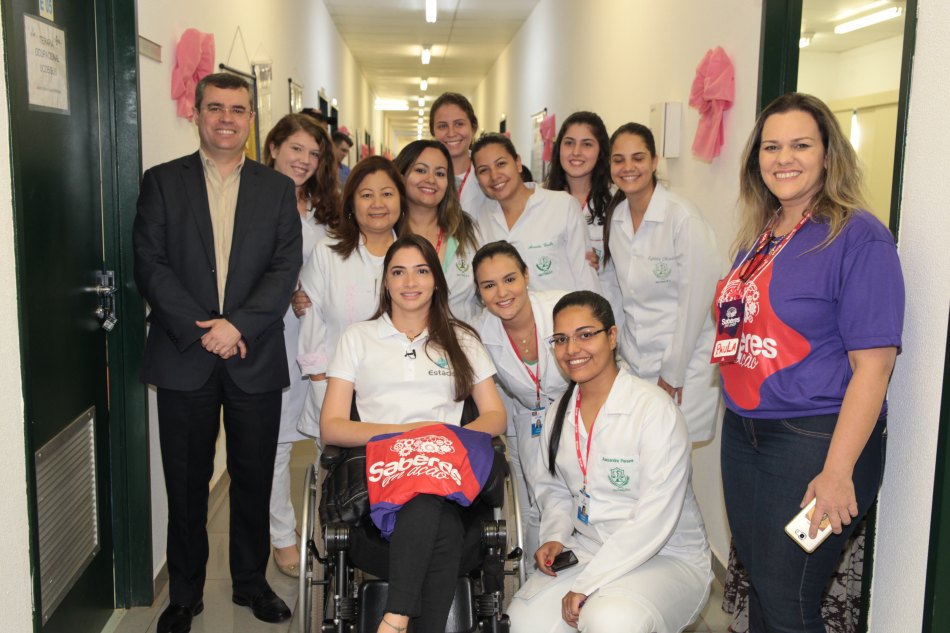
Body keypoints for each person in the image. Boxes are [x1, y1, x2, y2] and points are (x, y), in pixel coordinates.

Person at [716, 92, 903, 632]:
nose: (783, 158)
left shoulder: (859, 237)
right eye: (771, 147)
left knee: (788, 599)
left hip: (814, 440)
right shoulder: (762, 235)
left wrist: (838, 472)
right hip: (745, 433)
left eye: (800, 145)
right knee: (763, 587)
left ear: (828, 154)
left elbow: (875, 368)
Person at [133, 72, 300, 632]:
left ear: (251, 118)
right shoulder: (162, 182)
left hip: (254, 353)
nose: (226, 119)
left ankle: (251, 583)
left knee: (253, 478)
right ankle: (184, 595)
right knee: (186, 483)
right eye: (215, 108)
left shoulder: (276, 189)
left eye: (237, 109)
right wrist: (204, 329)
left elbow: (284, 268)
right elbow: (150, 263)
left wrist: (237, 326)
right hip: (184, 354)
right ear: (197, 114)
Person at [320, 234, 507, 633]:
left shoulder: (462, 338)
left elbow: (495, 416)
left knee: (427, 496)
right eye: (398, 272)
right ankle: (399, 618)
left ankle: (395, 618)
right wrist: (406, 434)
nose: (410, 282)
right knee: (438, 520)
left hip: (446, 466)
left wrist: (442, 439)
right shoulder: (358, 338)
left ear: (436, 280)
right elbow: (332, 425)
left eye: (421, 271)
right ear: (385, 283)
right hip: (381, 469)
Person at [508, 291, 711, 633]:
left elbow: (655, 516)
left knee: (609, 620)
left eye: (585, 334)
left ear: (612, 336)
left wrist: (588, 583)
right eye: (561, 339)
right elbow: (555, 492)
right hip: (589, 548)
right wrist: (556, 535)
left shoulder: (653, 410)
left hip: (664, 554)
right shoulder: (558, 413)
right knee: (522, 624)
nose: (572, 349)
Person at [602, 123, 722, 443]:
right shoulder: (617, 218)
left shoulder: (682, 217)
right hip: (635, 360)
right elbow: (619, 294)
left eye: (638, 158)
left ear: (655, 161)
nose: (628, 167)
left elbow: (696, 302)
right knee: (642, 454)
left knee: (672, 453)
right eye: (618, 160)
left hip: (684, 363)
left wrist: (673, 370)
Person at [260, 113, 340, 577]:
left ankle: (336, 529)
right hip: (275, 334)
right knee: (278, 442)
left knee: (333, 435)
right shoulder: (252, 198)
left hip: (323, 336)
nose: (305, 160)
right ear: (273, 147)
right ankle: (283, 537)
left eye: (314, 153)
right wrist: (287, 290)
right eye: (296, 149)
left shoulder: (325, 207)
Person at [473, 240, 569, 567]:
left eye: (510, 279)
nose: (502, 293)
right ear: (479, 292)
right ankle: (536, 575)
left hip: (580, 413)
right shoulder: (478, 333)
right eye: (489, 285)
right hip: (530, 420)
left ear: (527, 275)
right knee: (536, 507)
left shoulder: (562, 309)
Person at [296, 156, 403, 442]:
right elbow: (311, 320)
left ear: (401, 199)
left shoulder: (413, 254)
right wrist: (320, 382)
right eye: (366, 195)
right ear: (352, 203)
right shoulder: (327, 251)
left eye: (387, 194)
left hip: (400, 393)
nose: (377, 204)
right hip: (338, 392)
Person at [471, 133, 602, 297]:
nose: (494, 176)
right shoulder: (482, 218)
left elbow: (586, 278)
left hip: (562, 313)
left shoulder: (562, 205)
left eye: (501, 164)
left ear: (518, 163)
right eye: (484, 170)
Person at [394, 139, 482, 323]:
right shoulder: (388, 232)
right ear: (401, 175)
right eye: (420, 170)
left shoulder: (466, 230)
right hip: (401, 338)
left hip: (459, 337)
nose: (431, 180)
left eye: (440, 173)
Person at [429, 92, 492, 216]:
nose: (451, 133)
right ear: (433, 132)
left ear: (473, 128)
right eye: (442, 126)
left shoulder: (490, 172)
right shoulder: (421, 176)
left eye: (459, 124)